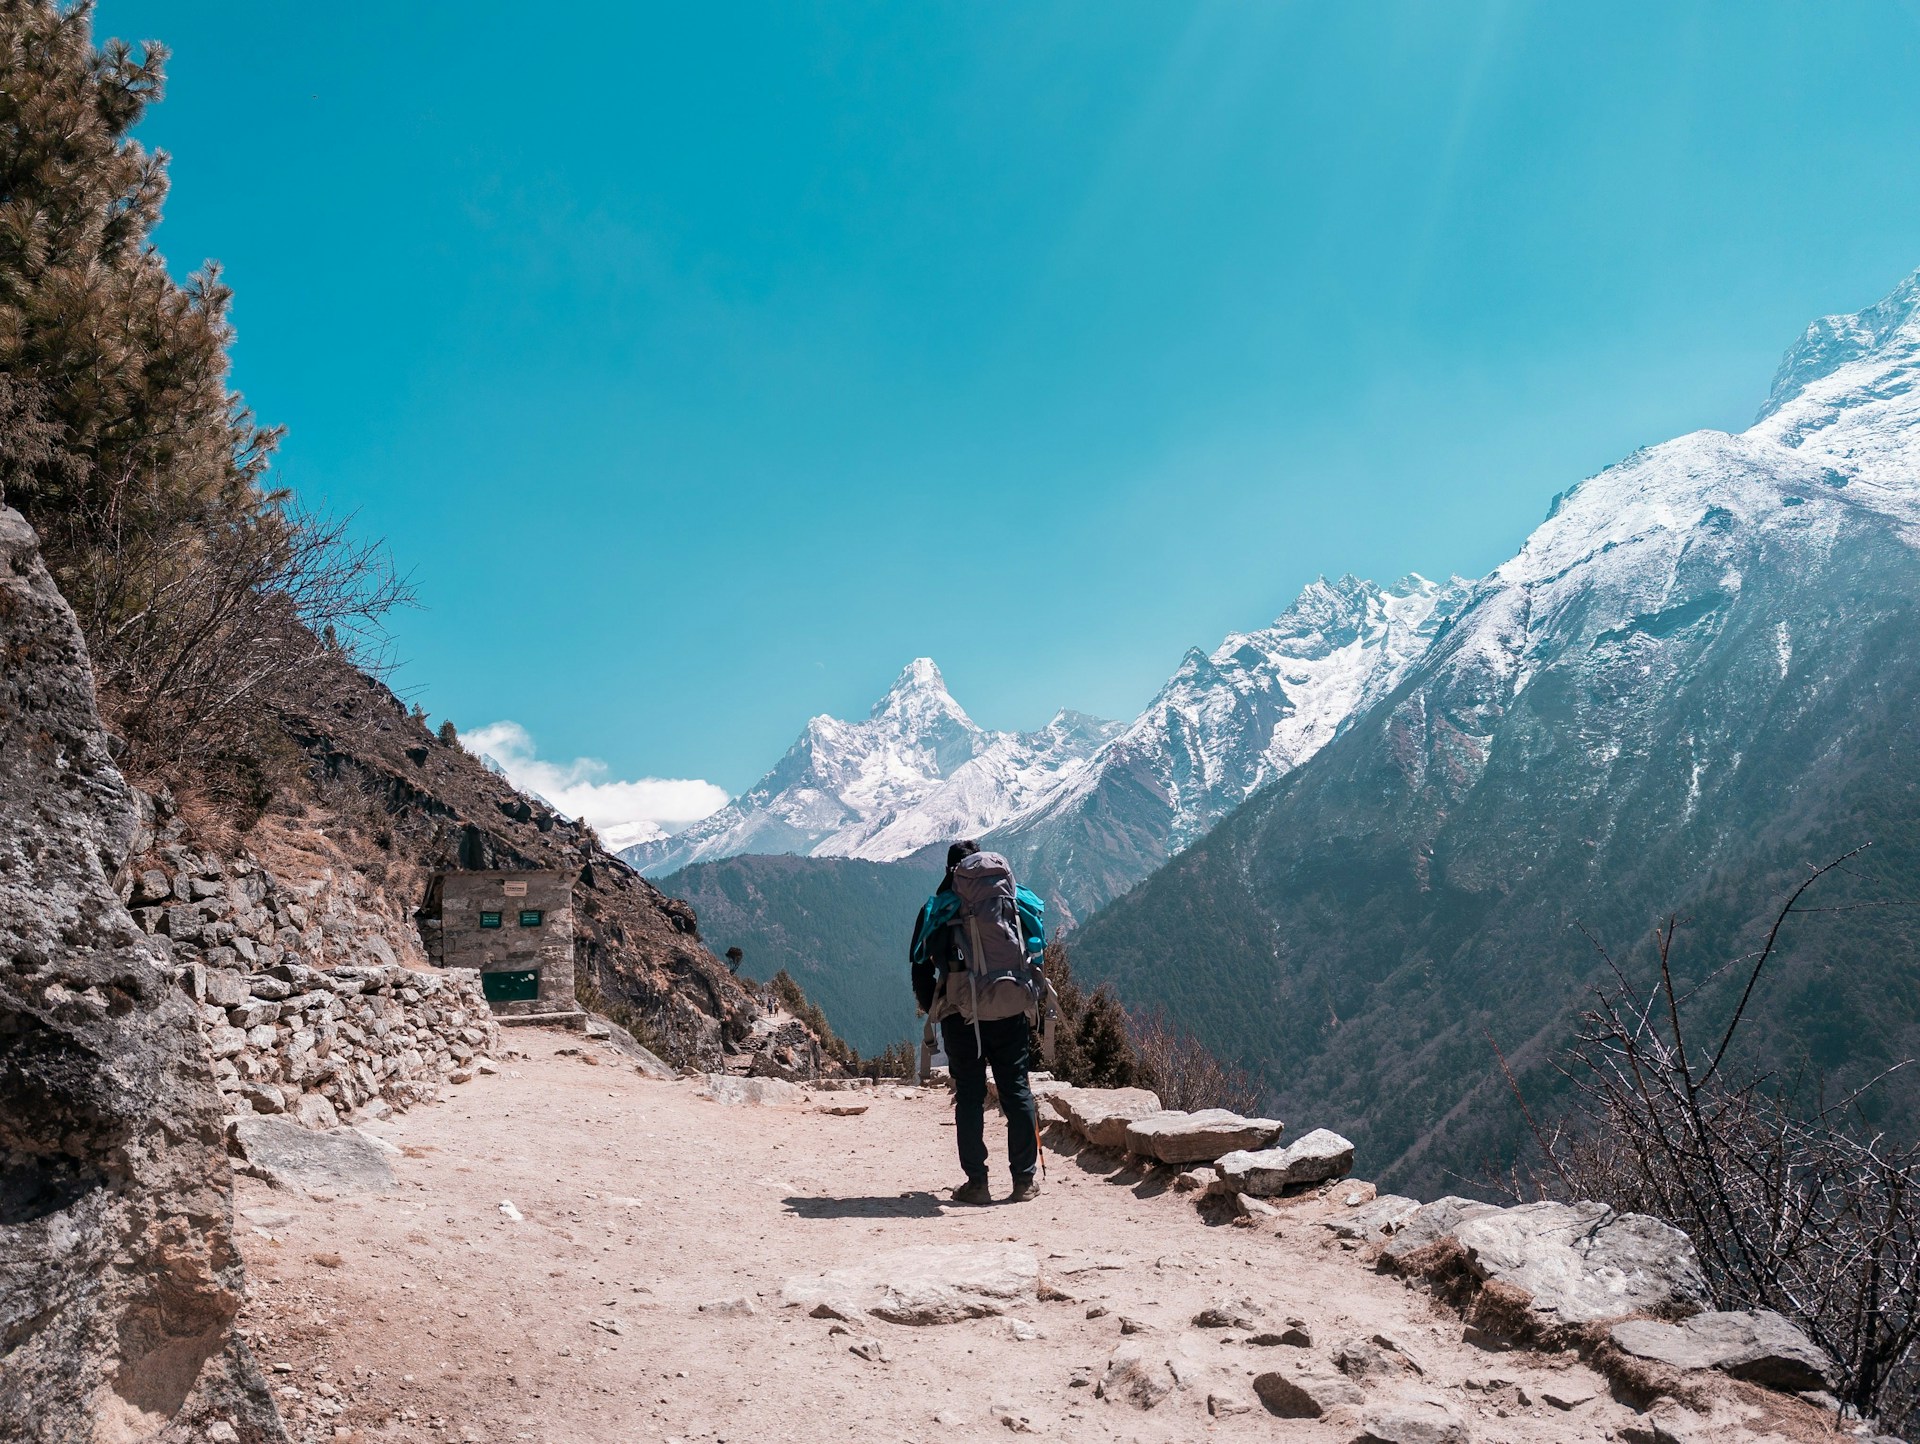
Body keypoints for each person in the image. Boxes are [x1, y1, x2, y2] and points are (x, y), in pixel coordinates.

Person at [910, 840, 1044, 1205]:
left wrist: (935, 1008)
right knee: (1016, 1090)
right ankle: (1024, 1180)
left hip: (962, 1015)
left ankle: (978, 1182)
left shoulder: (938, 907)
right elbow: (1036, 947)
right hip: (1009, 1006)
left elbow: (920, 966)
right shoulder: (1012, 899)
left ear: (950, 871)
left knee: (969, 1094)